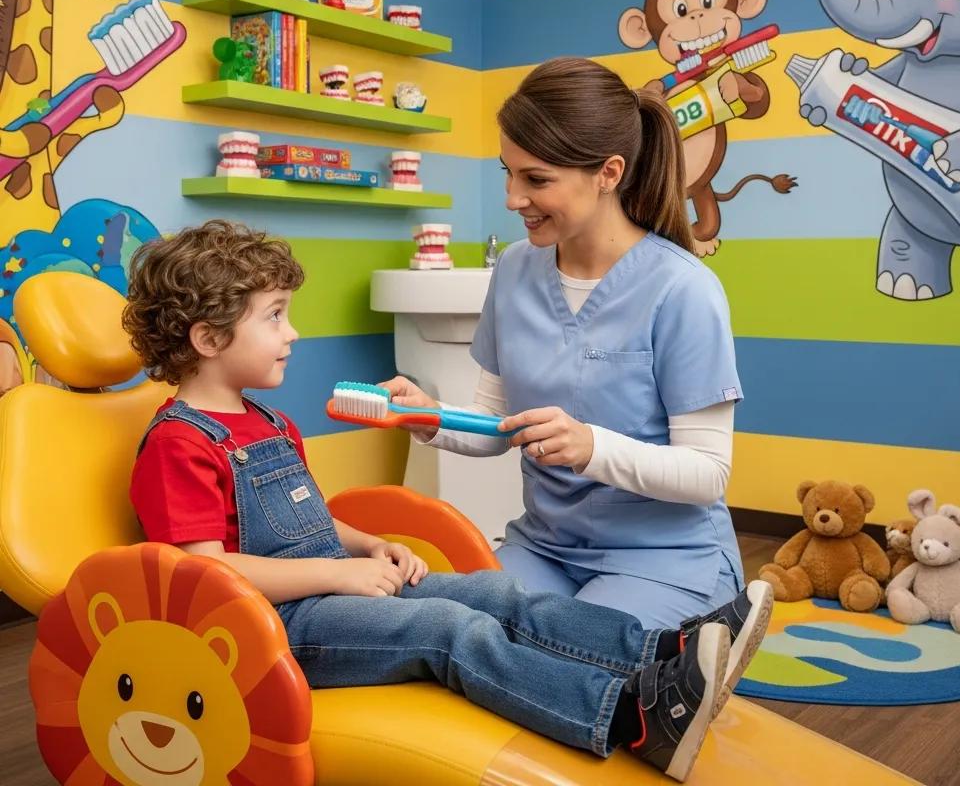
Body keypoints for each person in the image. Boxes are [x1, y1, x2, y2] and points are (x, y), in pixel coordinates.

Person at [123, 219, 766, 782]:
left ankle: (666, 657)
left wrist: (365, 545)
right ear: (208, 340)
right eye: (274, 316)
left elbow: (307, 521)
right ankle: (629, 719)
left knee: (497, 594)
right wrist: (338, 573)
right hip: (272, 629)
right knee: (451, 631)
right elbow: (204, 573)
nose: (293, 332)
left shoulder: (266, 422)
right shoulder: (179, 443)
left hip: (333, 590)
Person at [384, 56, 768, 687]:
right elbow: (492, 427)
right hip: (545, 548)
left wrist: (592, 448)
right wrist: (423, 415)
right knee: (445, 627)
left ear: (608, 174)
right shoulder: (514, 270)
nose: (513, 200)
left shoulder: (683, 290)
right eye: (508, 174)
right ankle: (653, 667)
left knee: (553, 659)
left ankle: (700, 635)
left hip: (664, 558)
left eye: (535, 179)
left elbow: (707, 474)